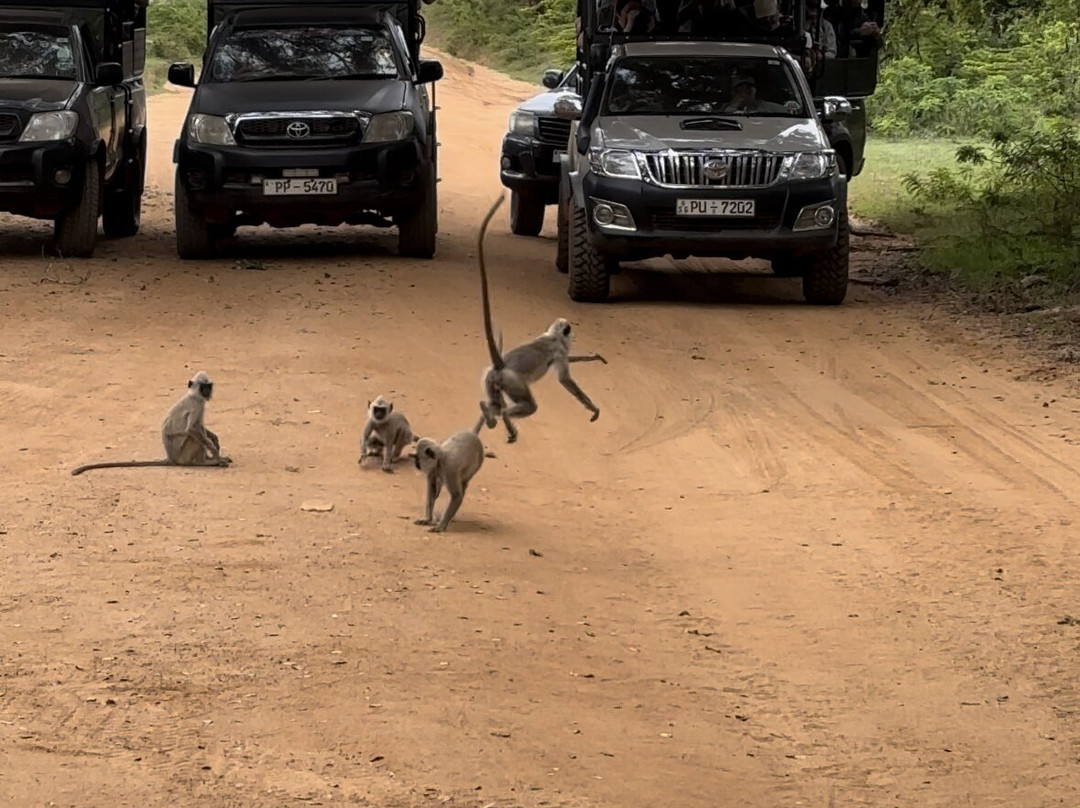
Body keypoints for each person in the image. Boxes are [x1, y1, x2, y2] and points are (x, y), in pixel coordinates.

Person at [722, 74, 789, 113]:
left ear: (754, 91)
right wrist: (733, 106)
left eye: (748, 91)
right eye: (739, 91)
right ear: (733, 92)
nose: (744, 95)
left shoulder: (771, 109)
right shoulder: (721, 109)